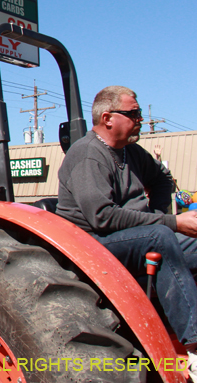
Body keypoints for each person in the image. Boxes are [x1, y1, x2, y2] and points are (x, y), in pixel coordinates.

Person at [56, 85, 197, 363]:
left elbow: (162, 180)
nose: (140, 119)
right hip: (91, 246)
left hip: (133, 236)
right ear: (108, 118)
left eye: (139, 113)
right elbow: (103, 216)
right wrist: (171, 222)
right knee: (160, 235)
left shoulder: (130, 152)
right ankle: (194, 347)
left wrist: (159, 213)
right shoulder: (88, 154)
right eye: (134, 113)